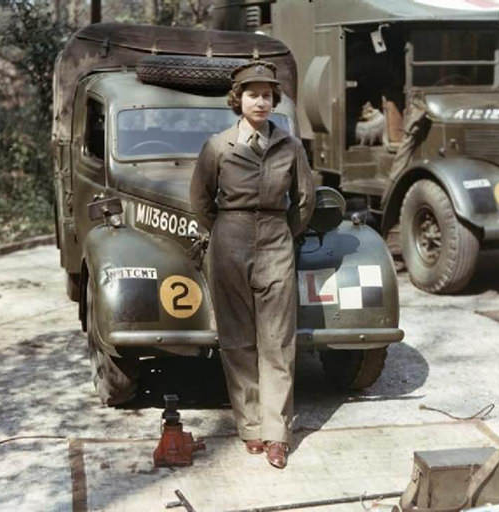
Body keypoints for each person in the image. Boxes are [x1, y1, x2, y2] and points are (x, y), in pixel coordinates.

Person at [190, 61, 315, 469]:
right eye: (252, 94)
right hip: (229, 242)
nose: (260, 101)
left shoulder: (290, 146)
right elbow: (201, 203)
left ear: (275, 100)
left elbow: (304, 201)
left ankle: (277, 434)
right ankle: (251, 428)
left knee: (277, 341)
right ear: (237, 100)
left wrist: (282, 234)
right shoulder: (217, 146)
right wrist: (228, 232)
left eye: (267, 94)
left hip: (277, 242)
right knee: (238, 341)